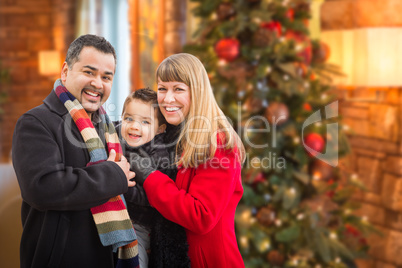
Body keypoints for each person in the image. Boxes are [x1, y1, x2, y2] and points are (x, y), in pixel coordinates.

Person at [12, 34, 138, 268]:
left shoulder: (108, 127)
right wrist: (113, 175)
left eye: (106, 77)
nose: (98, 84)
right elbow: (42, 187)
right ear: (65, 71)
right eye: (89, 72)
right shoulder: (35, 122)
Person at [130, 53, 246, 268]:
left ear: (198, 92)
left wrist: (149, 175)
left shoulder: (218, 142)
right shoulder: (170, 136)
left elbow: (201, 216)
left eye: (178, 89)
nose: (167, 98)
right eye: (162, 88)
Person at [116, 87, 190, 267]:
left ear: (159, 129)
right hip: (114, 214)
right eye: (129, 118)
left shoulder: (159, 153)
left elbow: (152, 197)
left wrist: (121, 188)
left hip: (139, 223)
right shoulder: (116, 134)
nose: (134, 126)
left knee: (134, 260)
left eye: (145, 122)